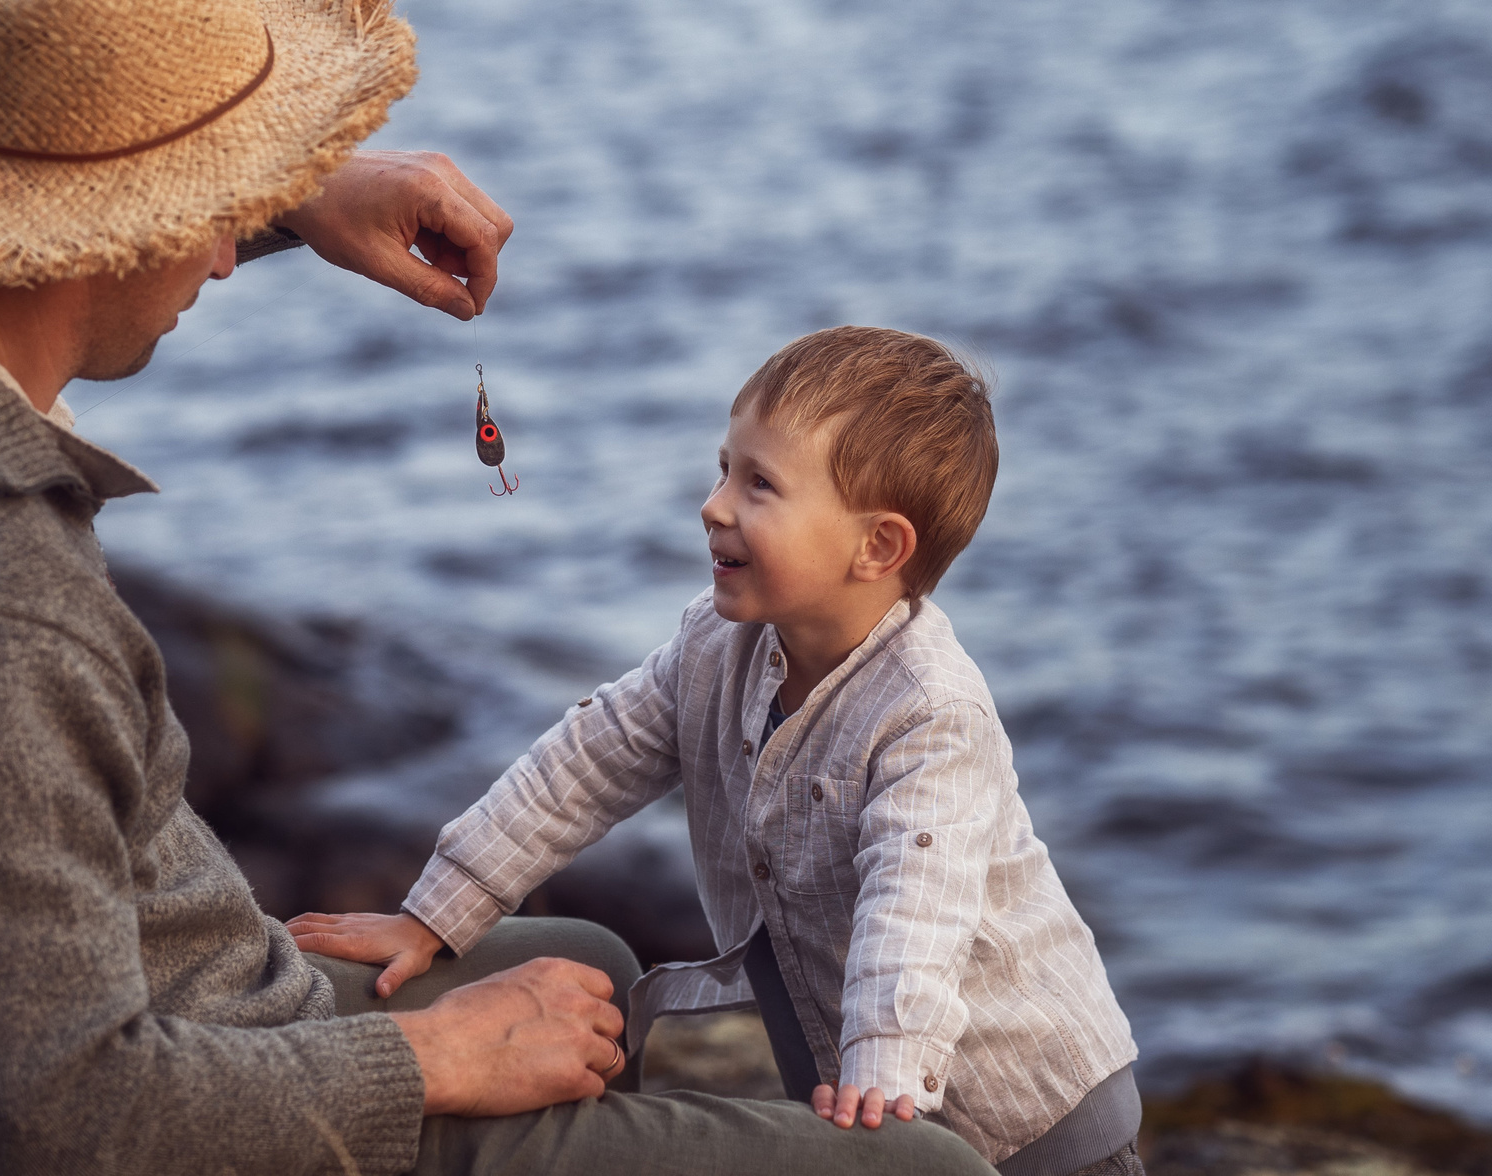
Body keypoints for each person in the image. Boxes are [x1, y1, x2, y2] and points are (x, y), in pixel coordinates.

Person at [0, 0, 996, 1173]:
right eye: (209, 201)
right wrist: (428, 1059)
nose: (227, 246)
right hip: (145, 1109)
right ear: (100, 222)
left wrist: (296, 196)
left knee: (590, 961)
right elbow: (48, 1120)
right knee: (929, 1167)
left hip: (114, 1006)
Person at [294, 327, 1148, 1176]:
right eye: (724, 468)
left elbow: (914, 909)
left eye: (760, 484)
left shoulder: (931, 715)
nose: (715, 504)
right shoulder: (717, 647)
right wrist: (437, 914)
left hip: (1032, 1116)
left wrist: (884, 1075)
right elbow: (585, 763)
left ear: (877, 547)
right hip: (861, 1091)